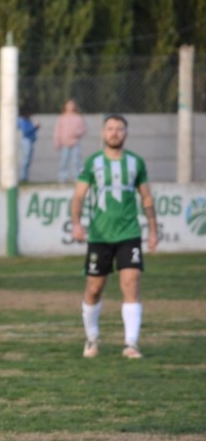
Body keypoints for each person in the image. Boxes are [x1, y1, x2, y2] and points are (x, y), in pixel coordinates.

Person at [70, 114, 157, 359]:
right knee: (94, 288)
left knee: (131, 284)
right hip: (99, 235)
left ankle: (131, 343)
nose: (115, 133)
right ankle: (92, 338)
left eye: (119, 129)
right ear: (103, 133)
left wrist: (153, 229)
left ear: (126, 133)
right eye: (110, 128)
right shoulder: (92, 163)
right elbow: (78, 196)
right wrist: (76, 223)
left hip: (129, 233)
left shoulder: (136, 163)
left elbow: (146, 197)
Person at [54, 99, 87, 183]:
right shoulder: (62, 118)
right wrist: (57, 142)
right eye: (68, 105)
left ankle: (77, 176)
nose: (70, 106)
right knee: (64, 160)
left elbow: (83, 129)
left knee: (76, 160)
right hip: (65, 143)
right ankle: (62, 176)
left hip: (75, 142)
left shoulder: (78, 117)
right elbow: (57, 130)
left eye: (72, 105)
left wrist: (76, 133)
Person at [18, 105, 40, 183]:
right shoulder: (21, 121)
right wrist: (35, 127)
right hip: (25, 141)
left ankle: (25, 176)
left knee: (28, 160)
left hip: (30, 141)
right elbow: (25, 132)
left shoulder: (28, 121)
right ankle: (23, 177)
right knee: (25, 159)